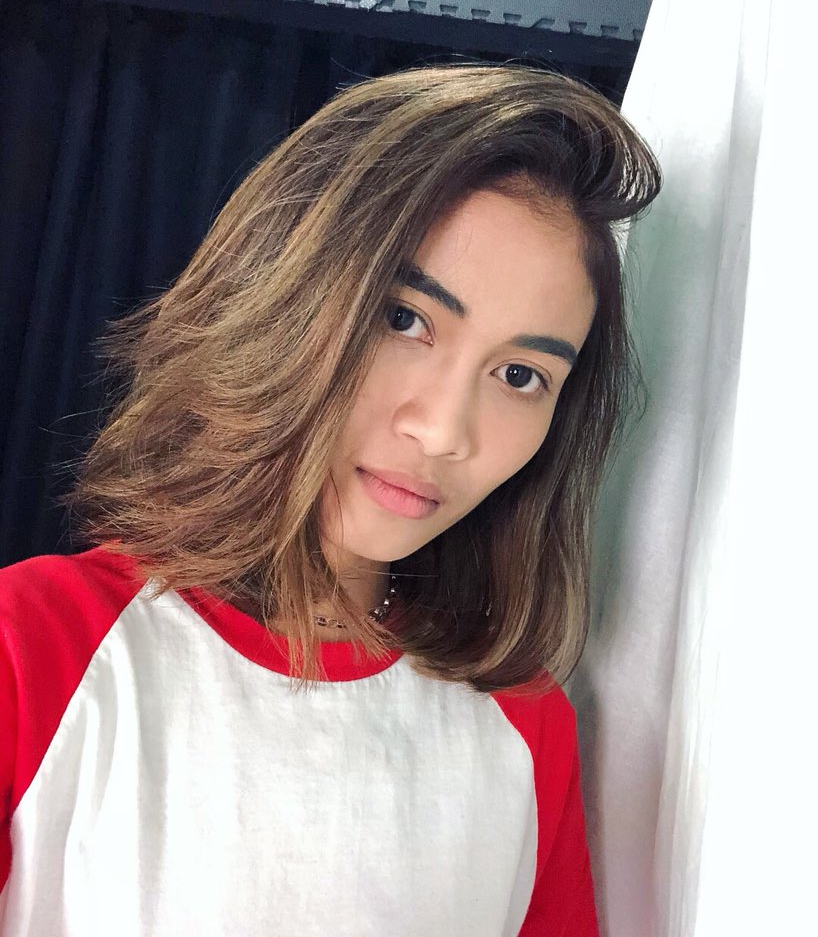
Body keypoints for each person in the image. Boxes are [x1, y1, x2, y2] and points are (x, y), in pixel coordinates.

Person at [0, 63, 661, 935]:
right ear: (282, 293)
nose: (445, 430)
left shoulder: (523, 724)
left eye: (519, 375)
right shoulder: (36, 646)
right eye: (404, 319)